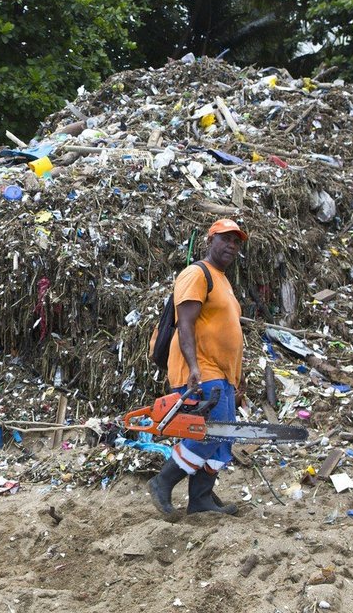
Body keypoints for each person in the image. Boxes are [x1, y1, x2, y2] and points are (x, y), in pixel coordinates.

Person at [148, 218, 248, 519]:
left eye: (236, 241)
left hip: (222, 373)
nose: (231, 245)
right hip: (201, 370)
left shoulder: (223, 280)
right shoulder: (196, 273)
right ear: (210, 241)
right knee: (210, 433)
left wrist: (237, 378)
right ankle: (162, 482)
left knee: (223, 437)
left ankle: (201, 499)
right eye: (225, 239)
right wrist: (193, 367)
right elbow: (186, 323)